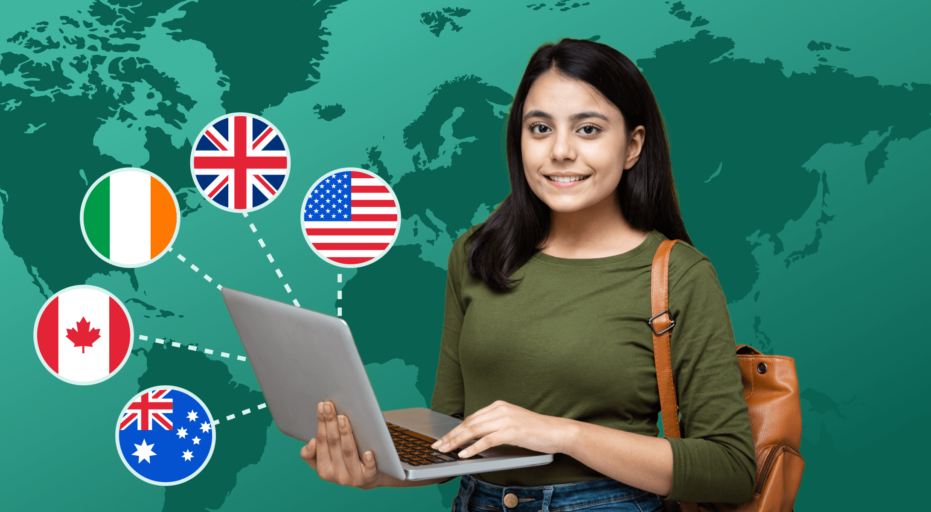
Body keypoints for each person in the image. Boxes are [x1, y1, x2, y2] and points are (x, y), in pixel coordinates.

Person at [300, 37, 756, 511]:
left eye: (588, 130)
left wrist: (560, 433)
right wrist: (374, 469)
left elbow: (729, 469)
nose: (559, 151)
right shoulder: (477, 254)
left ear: (632, 147)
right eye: (539, 128)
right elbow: (450, 433)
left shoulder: (679, 274)